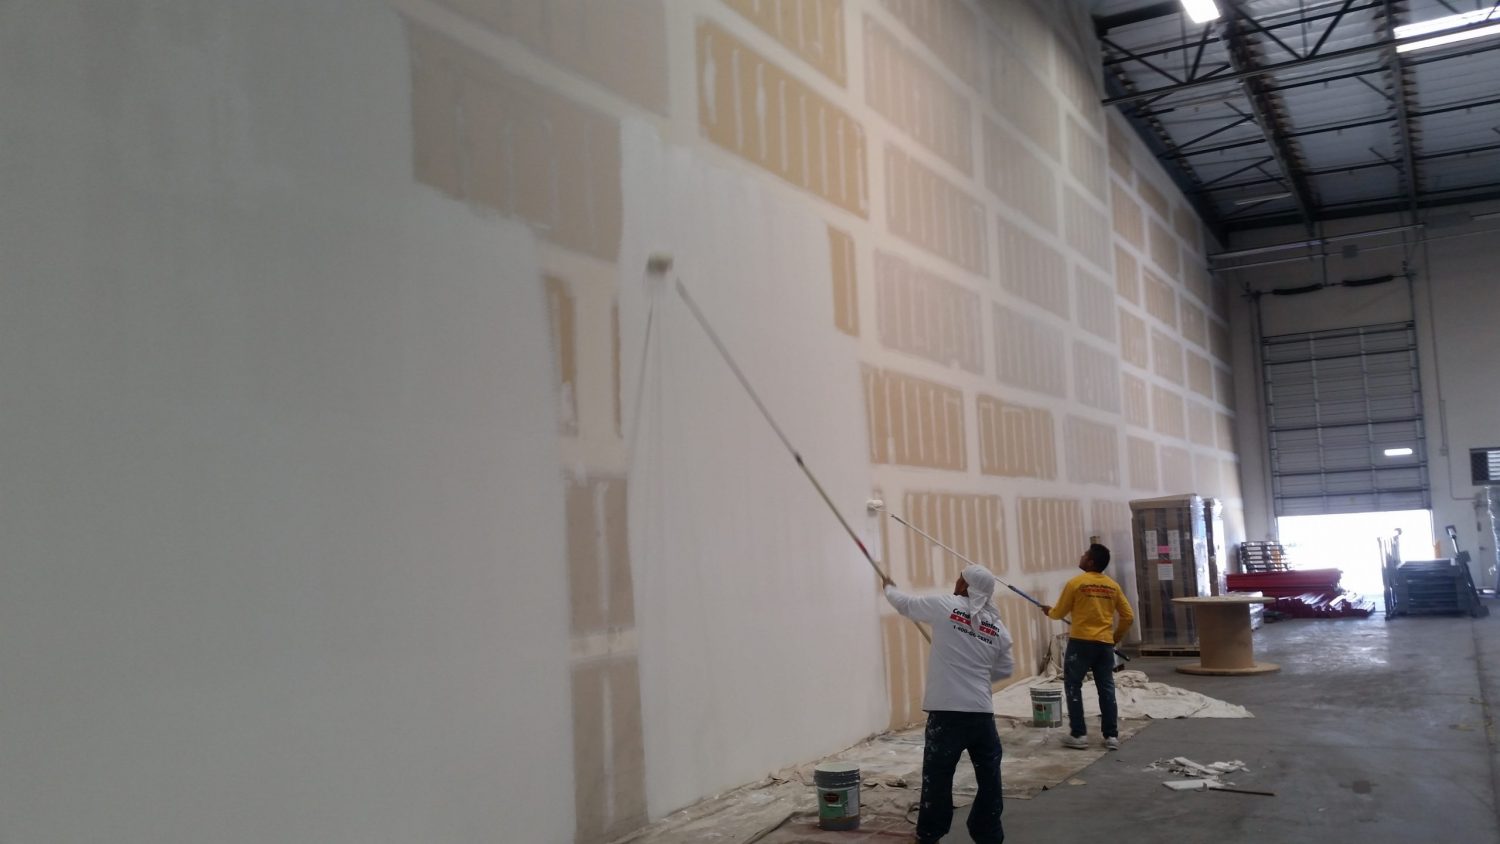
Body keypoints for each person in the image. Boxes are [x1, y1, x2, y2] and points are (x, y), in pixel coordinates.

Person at [883, 564, 1014, 844]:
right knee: (990, 777)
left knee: (938, 776)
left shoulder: (946, 606)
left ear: (965, 585)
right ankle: (988, 833)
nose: (956, 582)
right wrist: (975, 670)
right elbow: (1005, 668)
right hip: (981, 714)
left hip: (947, 714)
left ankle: (930, 833)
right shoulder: (998, 627)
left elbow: (906, 605)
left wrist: (889, 588)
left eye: (959, 578)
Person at [1040, 543, 1134, 751]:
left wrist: (1049, 611)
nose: (1081, 557)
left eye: (1084, 555)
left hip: (1081, 644)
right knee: (1106, 688)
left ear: (1090, 562)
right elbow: (1128, 616)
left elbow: (1058, 613)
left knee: (1073, 686)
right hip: (1104, 645)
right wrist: (1115, 638)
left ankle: (1079, 734)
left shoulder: (1076, 583)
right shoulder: (1113, 586)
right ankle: (1111, 736)